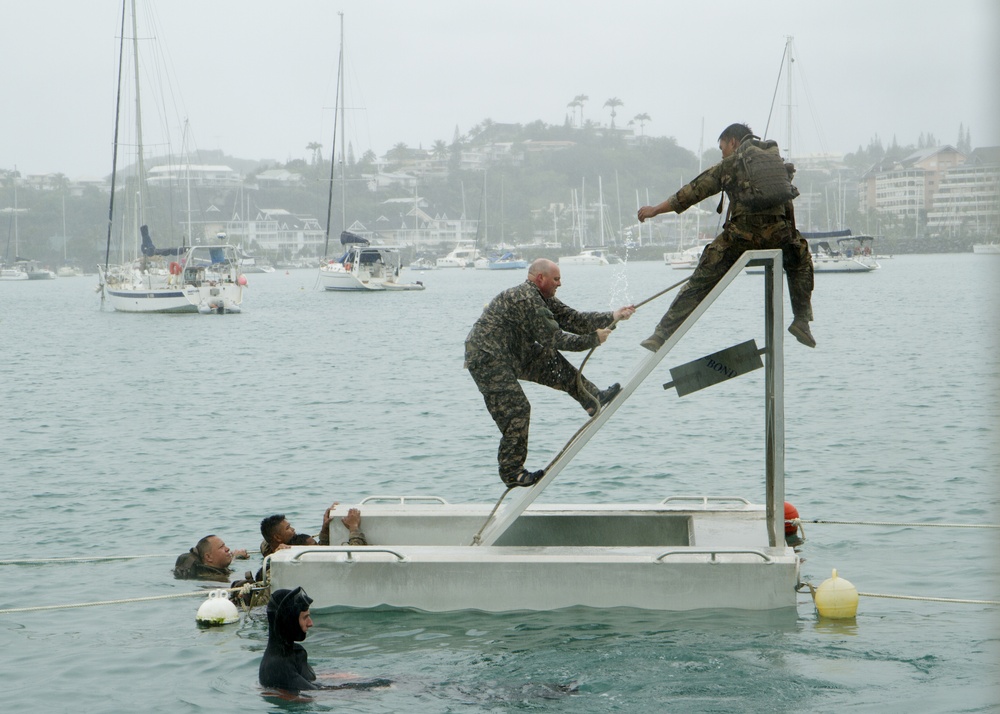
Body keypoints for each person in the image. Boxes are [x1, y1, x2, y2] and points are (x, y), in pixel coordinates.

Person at [637, 123, 815, 351]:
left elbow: (691, 192)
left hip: (741, 237)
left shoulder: (730, 165)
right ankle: (802, 321)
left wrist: (654, 210)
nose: (722, 152)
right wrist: (790, 238)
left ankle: (661, 335)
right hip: (779, 235)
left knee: (702, 278)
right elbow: (788, 209)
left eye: (722, 147)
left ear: (733, 142)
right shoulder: (777, 166)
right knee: (800, 258)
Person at [465, 258, 636, 488]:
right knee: (517, 409)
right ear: (540, 279)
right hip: (487, 357)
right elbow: (555, 339)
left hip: (513, 350)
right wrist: (593, 339)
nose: (560, 284)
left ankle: (592, 399)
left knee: (552, 361)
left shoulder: (541, 297)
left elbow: (571, 318)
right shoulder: (528, 299)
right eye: (556, 279)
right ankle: (512, 472)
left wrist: (613, 315)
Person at [259, 587, 391, 694]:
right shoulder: (277, 668)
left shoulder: (294, 652)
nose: (311, 623)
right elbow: (316, 695)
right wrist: (369, 688)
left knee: (388, 681)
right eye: (305, 618)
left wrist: (338, 675)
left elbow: (307, 679)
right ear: (289, 622)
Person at [260, 504, 367, 556]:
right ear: (277, 537)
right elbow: (356, 555)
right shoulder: (286, 554)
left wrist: (325, 530)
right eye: (288, 528)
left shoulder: (268, 548)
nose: (293, 529)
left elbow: (321, 552)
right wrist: (354, 528)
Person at [173, 534, 249, 582]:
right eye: (221, 547)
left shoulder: (213, 569)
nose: (228, 549)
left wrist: (237, 556)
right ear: (208, 557)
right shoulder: (217, 579)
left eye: (225, 545)